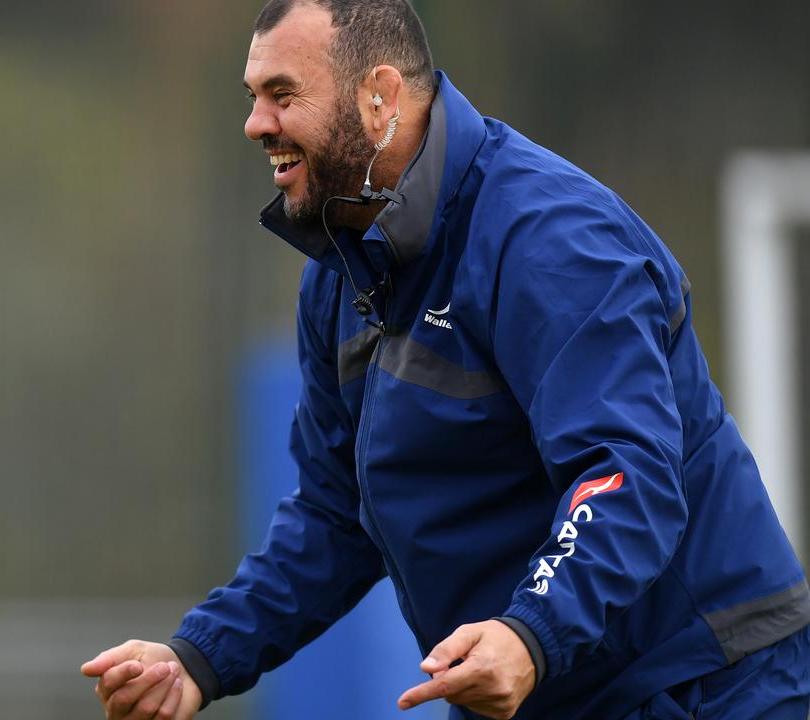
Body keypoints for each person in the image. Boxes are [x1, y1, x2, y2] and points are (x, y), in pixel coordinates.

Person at [81, 1, 810, 718]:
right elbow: (336, 515)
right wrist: (198, 659)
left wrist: (528, 636)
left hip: (706, 684)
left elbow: (626, 476)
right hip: (537, 689)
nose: (255, 124)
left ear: (381, 98)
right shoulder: (339, 277)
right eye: (252, 98)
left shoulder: (548, 241)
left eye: (282, 95)